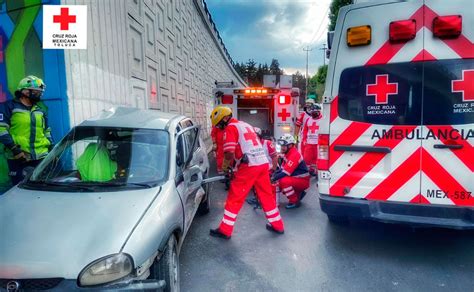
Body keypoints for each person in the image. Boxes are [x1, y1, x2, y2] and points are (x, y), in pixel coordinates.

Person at [209, 106, 285, 239]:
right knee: (266, 195)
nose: (220, 128)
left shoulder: (230, 128)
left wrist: (226, 168)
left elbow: (229, 153)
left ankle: (225, 230)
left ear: (226, 118)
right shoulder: (245, 125)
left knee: (235, 197)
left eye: (220, 124)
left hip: (249, 165)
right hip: (262, 164)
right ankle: (278, 225)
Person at [0, 76, 52, 185]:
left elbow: (47, 130)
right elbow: (1, 129)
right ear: (25, 91)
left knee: (43, 190)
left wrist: (52, 150)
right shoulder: (8, 107)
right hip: (19, 157)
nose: (39, 94)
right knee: (21, 190)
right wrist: (15, 150)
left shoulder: (40, 110)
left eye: (40, 92)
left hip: (41, 158)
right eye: (36, 92)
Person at [271, 134, 310, 209]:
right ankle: (298, 194)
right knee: (279, 181)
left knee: (283, 181)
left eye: (284, 146)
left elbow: (285, 173)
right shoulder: (287, 153)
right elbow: (282, 169)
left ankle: (294, 201)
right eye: (281, 146)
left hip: (303, 181)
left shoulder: (294, 155)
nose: (282, 148)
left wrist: (272, 179)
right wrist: (273, 174)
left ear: (290, 145)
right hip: (298, 178)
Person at [246, 127, 278, 208]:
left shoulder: (267, 143)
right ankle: (258, 198)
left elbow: (275, 157)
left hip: (269, 168)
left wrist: (273, 169)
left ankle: (262, 200)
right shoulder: (251, 145)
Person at [301, 103, 322, 176]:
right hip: (309, 143)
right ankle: (308, 171)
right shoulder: (308, 120)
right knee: (307, 158)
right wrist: (304, 140)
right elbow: (305, 131)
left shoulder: (323, 120)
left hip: (318, 143)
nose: (313, 114)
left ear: (319, 112)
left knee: (317, 158)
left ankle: (316, 171)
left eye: (315, 113)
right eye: (312, 113)